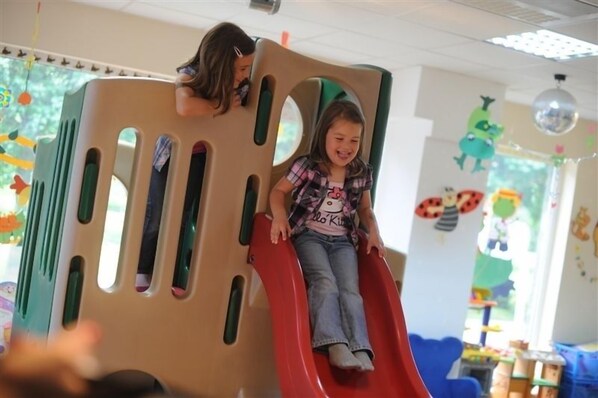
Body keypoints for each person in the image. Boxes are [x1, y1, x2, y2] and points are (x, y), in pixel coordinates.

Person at [269, 99, 385, 372]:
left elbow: (366, 209)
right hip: (309, 236)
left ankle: (359, 346)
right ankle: (334, 343)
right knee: (325, 282)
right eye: (340, 138)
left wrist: (375, 234)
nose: (346, 147)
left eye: (354, 141)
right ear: (324, 135)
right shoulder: (308, 166)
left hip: (343, 241)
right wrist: (280, 217)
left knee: (351, 291)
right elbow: (277, 192)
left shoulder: (361, 172)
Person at [137, 22, 256, 288]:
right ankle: (141, 272)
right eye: (242, 69)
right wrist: (220, 105)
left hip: (201, 159)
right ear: (221, 63)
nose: (245, 76)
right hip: (169, 158)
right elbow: (185, 107)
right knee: (156, 217)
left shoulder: (240, 90)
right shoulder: (189, 76)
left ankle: (165, 276)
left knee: (180, 218)